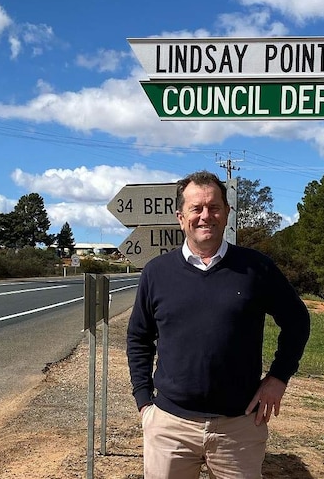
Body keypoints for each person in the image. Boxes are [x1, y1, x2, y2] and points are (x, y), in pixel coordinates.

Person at [127, 170, 311, 479]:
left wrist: (279, 377)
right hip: (170, 425)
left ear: (226, 213)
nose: (205, 216)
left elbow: (297, 321)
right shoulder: (156, 273)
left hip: (238, 427)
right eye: (196, 208)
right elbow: (138, 338)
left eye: (214, 207)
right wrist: (145, 402)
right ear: (180, 217)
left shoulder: (257, 268)